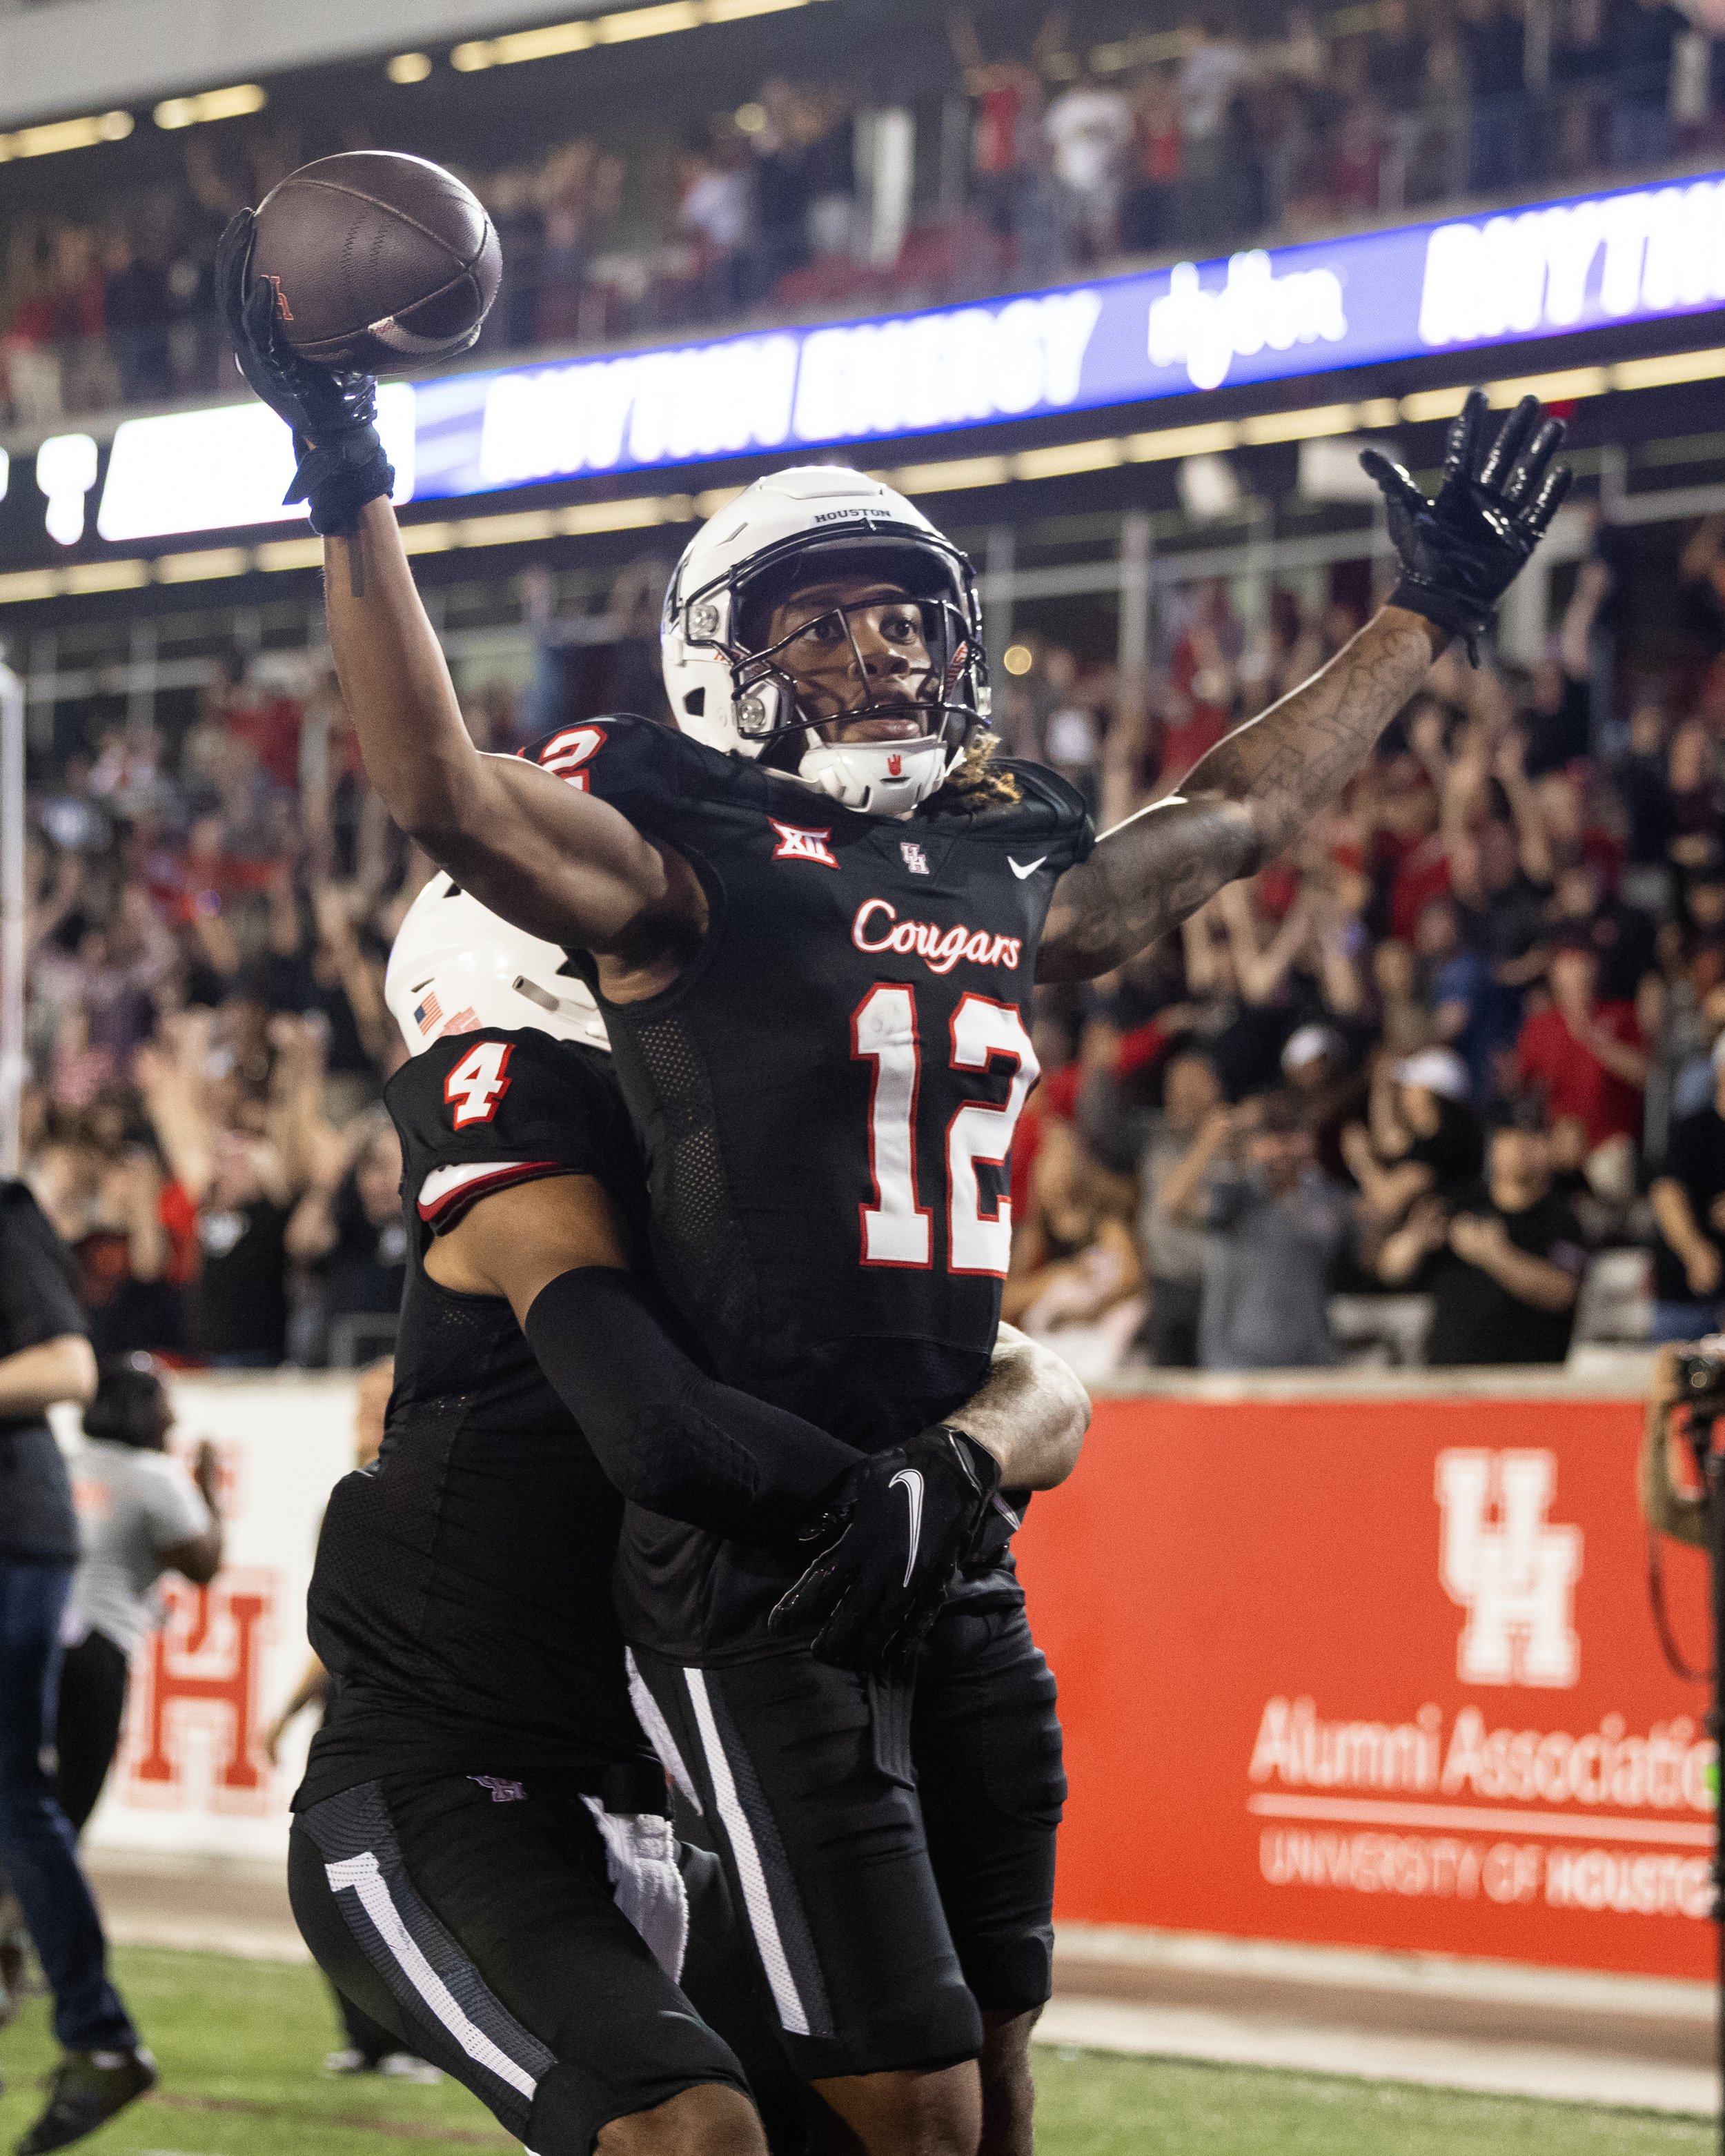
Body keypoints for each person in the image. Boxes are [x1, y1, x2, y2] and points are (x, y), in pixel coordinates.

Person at [217, 210, 1568, 2154]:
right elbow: (440, 790)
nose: (884, 654)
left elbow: (1233, 817)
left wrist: (1420, 615)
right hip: (698, 1609)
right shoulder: (648, 894)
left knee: (987, 2078)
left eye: (908, 615)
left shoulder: (974, 866)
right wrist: (349, 469)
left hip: (912, 1547)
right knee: (873, 2107)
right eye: (822, 621)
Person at [286, 878, 1089, 2156]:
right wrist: (875, 1498)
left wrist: (956, 1464)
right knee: (690, 2133)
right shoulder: (514, 1154)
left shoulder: (722, 1182)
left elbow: (1037, 1379)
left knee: (931, 2114)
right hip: (445, 1790)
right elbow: (656, 1429)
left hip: (662, 1809)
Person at [0, 1180, 155, 2153]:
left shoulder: (4, 1210)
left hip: (11, 1532)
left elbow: (67, 1365)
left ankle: (97, 2033)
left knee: (13, 1787)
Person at [55, 1360, 221, 1836]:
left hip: (40, 1633)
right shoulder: (155, 1475)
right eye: (167, 1405)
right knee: (75, 1795)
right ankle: (33, 1906)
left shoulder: (67, 1463)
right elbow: (203, 1565)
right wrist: (208, 1487)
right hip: (99, 1645)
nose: (175, 1418)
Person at [1157, 1094, 1353, 1370]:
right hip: (1237, 1366)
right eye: (1273, 1138)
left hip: (1310, 1364)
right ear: (1255, 1145)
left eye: (1292, 1136)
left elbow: (1369, 1256)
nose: (1283, 1149)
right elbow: (1172, 1203)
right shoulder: (1238, 1195)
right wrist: (1209, 1141)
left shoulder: (1326, 1198)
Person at [1377, 1113, 1588, 1365]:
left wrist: (1495, 1255)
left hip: (1530, 1384)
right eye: (1509, 1137)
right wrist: (1414, 1241)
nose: (1520, 1148)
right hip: (1451, 1382)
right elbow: (1390, 1270)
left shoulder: (1563, 1219)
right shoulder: (1457, 1206)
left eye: (1531, 1139)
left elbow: (1562, 1292)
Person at [1650, 1035, 1725, 1343]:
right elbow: (1667, 1194)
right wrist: (1694, 1250)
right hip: (1688, 1302)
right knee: (1675, 1386)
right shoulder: (1692, 1129)